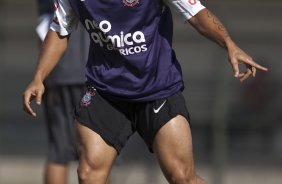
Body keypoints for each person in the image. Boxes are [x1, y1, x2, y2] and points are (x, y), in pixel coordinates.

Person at [23, 0, 268, 183]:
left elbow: (197, 14)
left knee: (182, 176)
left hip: (157, 90)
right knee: (88, 174)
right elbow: (59, 30)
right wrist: (39, 77)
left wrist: (229, 44)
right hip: (106, 91)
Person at [36, 0, 89, 183]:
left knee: (59, 151)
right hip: (98, 70)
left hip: (61, 70)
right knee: (98, 153)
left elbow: (44, 22)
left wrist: (41, 74)